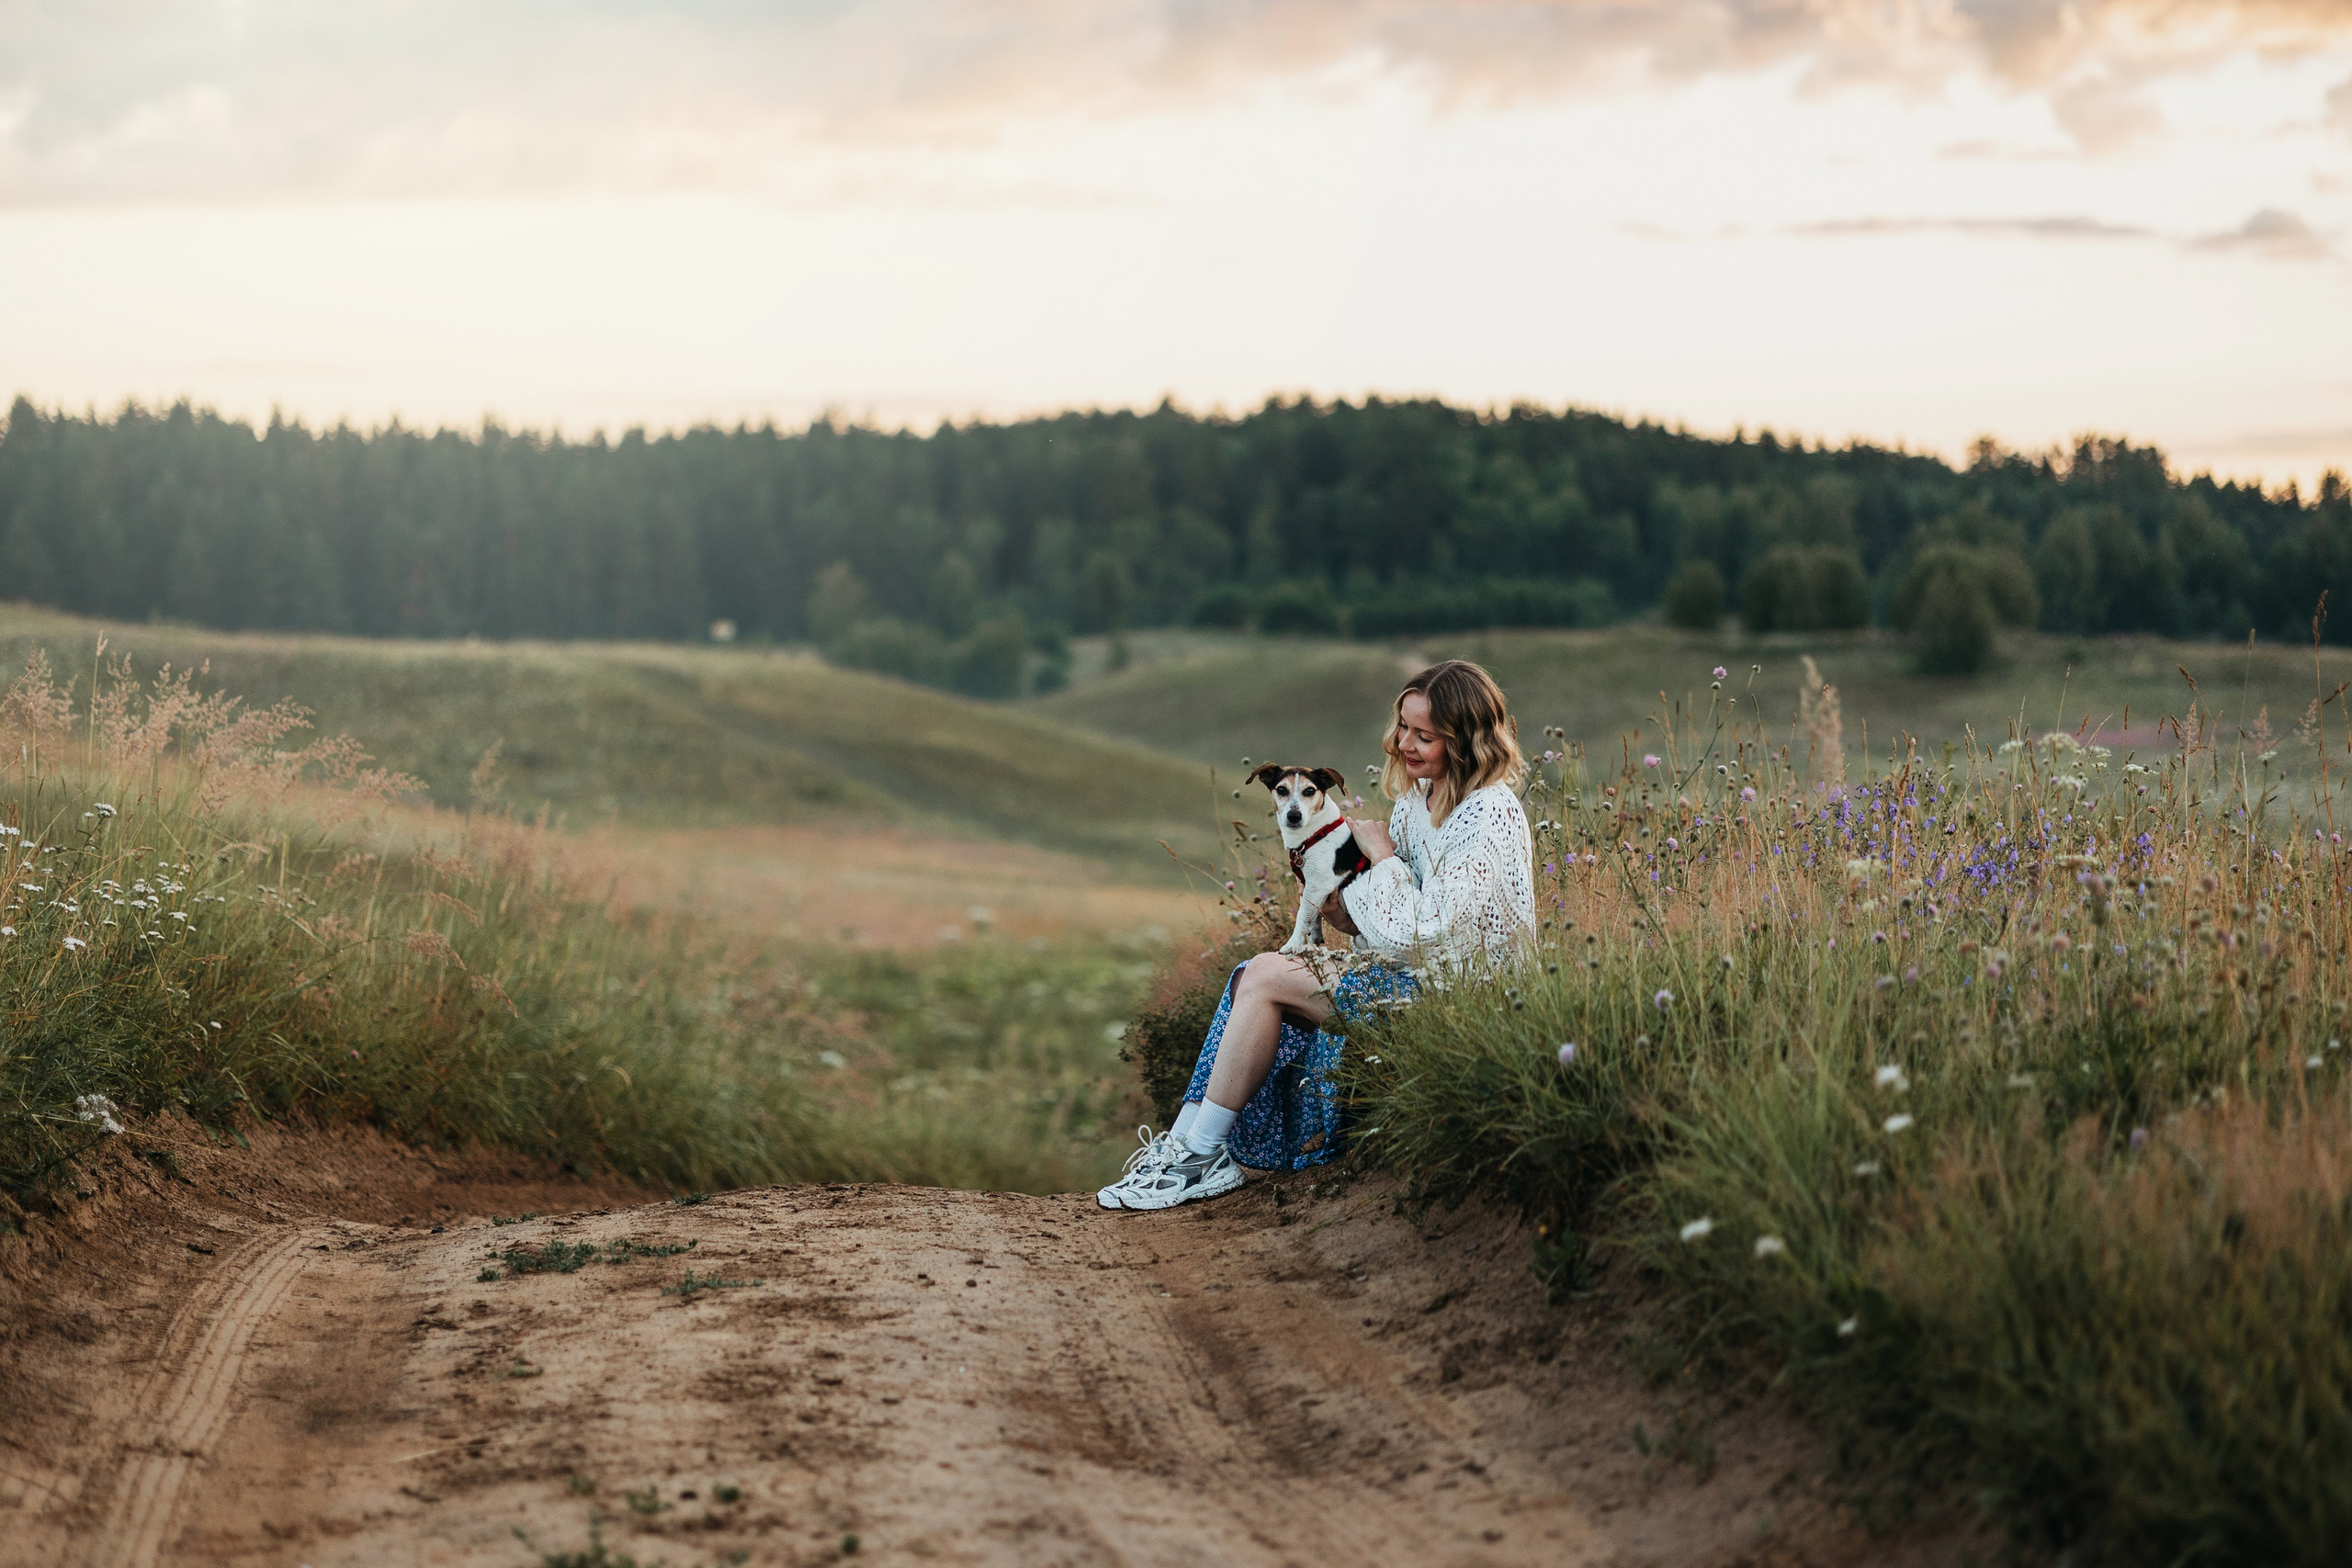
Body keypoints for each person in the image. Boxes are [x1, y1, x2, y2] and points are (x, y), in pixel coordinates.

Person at [1100, 659, 1535, 1212]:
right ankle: (1186, 1145)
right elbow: (1386, 925)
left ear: (1469, 741)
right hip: (1408, 977)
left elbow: (1424, 934)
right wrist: (1347, 913)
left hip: (1467, 996)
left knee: (1267, 975)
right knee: (1251, 975)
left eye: (1426, 735)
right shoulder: (1412, 806)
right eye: (1403, 727)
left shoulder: (1489, 814)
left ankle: (1200, 1155)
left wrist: (1379, 859)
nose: (1405, 743)